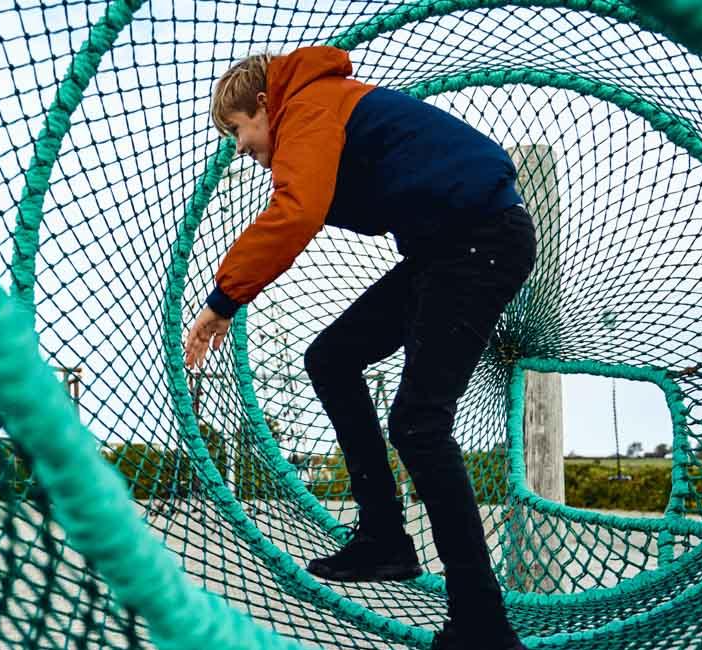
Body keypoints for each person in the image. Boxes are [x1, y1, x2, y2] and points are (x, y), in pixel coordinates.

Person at [182, 46, 535, 650]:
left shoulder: (312, 105)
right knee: (331, 357)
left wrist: (221, 301)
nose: (239, 147)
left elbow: (297, 213)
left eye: (238, 129)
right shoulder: (317, 112)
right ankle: (384, 539)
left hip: (480, 243)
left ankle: (482, 623)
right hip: (445, 250)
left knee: (419, 425)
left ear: (265, 105)